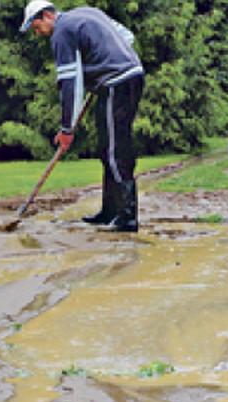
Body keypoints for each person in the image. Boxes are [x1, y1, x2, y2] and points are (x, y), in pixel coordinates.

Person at [20, 0, 145, 232]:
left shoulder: (61, 32)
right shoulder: (88, 13)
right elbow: (127, 37)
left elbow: (70, 83)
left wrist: (66, 129)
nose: (38, 33)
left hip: (117, 83)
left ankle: (127, 217)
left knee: (115, 151)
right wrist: (103, 65)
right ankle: (110, 211)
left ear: (47, 15)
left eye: (37, 27)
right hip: (128, 77)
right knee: (106, 149)